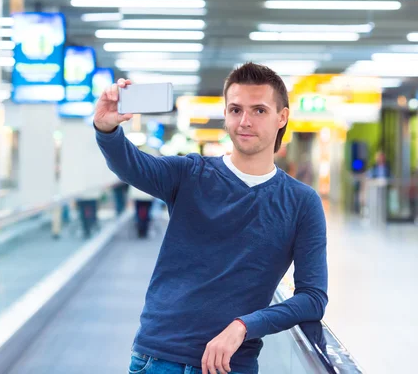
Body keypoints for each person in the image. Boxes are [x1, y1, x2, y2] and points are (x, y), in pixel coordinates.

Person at [93, 62, 327, 374]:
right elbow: (132, 165)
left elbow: (312, 298)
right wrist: (107, 128)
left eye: (259, 110)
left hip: (232, 365)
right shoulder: (189, 173)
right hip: (159, 359)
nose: (245, 121)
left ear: (281, 117)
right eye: (235, 110)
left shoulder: (301, 202)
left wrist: (245, 325)